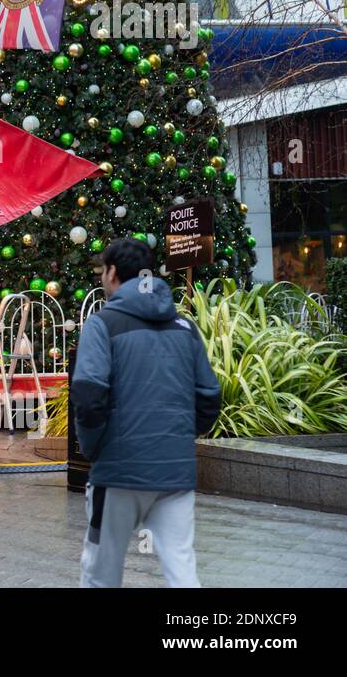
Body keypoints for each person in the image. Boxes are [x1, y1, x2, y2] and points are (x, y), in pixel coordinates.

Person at [71, 238, 221, 589]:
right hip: (174, 474)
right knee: (182, 569)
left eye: (102, 271)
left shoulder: (102, 324)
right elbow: (209, 394)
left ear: (111, 273)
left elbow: (89, 394)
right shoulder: (184, 328)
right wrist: (179, 437)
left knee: (100, 572)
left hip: (117, 473)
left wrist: (94, 449)